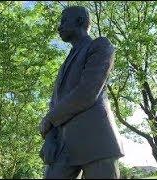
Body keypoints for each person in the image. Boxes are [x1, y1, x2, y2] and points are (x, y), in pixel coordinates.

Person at [39, 6, 124, 179]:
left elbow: (87, 92)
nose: (59, 26)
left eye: (63, 21)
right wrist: (50, 138)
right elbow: (55, 103)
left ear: (79, 21)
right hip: (63, 147)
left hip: (96, 141)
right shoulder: (65, 64)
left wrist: (49, 119)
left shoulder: (100, 46)